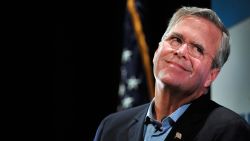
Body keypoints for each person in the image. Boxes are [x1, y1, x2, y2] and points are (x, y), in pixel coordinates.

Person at [93, 6, 250, 141]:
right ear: (157, 51)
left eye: (197, 49)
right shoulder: (111, 127)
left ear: (211, 75)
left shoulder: (228, 130)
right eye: (176, 39)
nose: (181, 51)